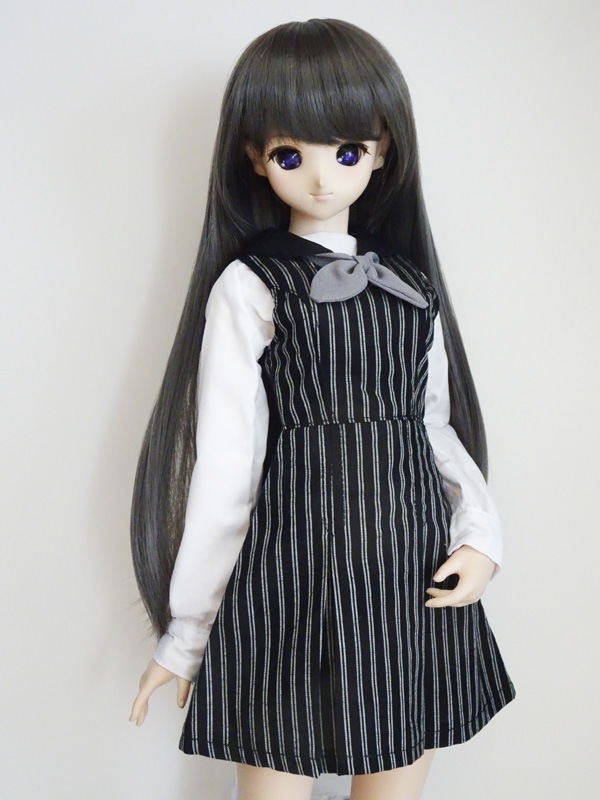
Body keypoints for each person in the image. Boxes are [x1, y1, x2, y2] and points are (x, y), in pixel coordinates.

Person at [129, 19, 515, 800]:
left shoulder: (412, 286)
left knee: (399, 761)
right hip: (294, 574)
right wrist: (189, 631)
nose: (319, 180)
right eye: (289, 155)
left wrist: (480, 534)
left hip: (408, 573)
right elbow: (228, 465)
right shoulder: (251, 286)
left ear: (381, 150)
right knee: (277, 759)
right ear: (254, 156)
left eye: (345, 152)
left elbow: (432, 425)